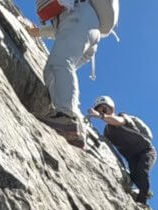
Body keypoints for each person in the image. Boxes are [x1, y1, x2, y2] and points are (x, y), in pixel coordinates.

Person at [28, 0, 119, 149]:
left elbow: (69, 17)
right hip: (88, 28)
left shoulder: (72, 5)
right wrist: (38, 32)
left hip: (82, 20)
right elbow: (60, 26)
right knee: (52, 71)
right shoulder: (68, 9)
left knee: (61, 64)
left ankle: (67, 117)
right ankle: (76, 128)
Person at [88, 95, 156, 205]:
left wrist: (100, 116)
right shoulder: (107, 131)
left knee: (142, 171)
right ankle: (140, 193)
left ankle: (143, 201)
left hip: (146, 150)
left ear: (112, 109)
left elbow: (119, 121)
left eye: (104, 110)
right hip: (131, 157)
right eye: (100, 111)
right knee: (134, 176)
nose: (103, 113)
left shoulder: (122, 116)